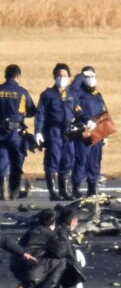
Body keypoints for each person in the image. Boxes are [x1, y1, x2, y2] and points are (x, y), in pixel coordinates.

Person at [1, 207, 84, 288]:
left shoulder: (33, 230)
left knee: (43, 257)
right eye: (76, 220)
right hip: (29, 270)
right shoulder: (50, 233)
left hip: (16, 269)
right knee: (61, 260)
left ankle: (28, 287)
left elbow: (5, 241)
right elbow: (61, 252)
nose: (77, 223)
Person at [35, 64, 75, 201]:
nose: (61, 78)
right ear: (54, 77)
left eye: (64, 75)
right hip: (54, 131)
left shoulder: (73, 94)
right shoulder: (47, 94)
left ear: (69, 77)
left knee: (67, 160)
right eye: (58, 75)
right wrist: (38, 131)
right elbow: (40, 113)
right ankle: (54, 192)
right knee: (53, 160)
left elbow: (79, 111)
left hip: (69, 132)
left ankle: (66, 191)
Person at [67, 66, 109, 199]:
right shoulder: (78, 94)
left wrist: (105, 133)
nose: (91, 80)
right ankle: (76, 187)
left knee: (95, 161)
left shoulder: (98, 95)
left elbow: (104, 113)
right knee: (81, 160)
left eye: (93, 76)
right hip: (83, 131)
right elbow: (74, 104)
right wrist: (85, 120)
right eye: (88, 77)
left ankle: (92, 187)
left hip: (98, 131)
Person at [0, 64, 35, 201]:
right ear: (18, 76)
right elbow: (32, 111)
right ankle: (14, 191)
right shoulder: (22, 92)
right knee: (17, 161)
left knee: (2, 160)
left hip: (1, 133)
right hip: (16, 133)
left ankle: (3, 190)